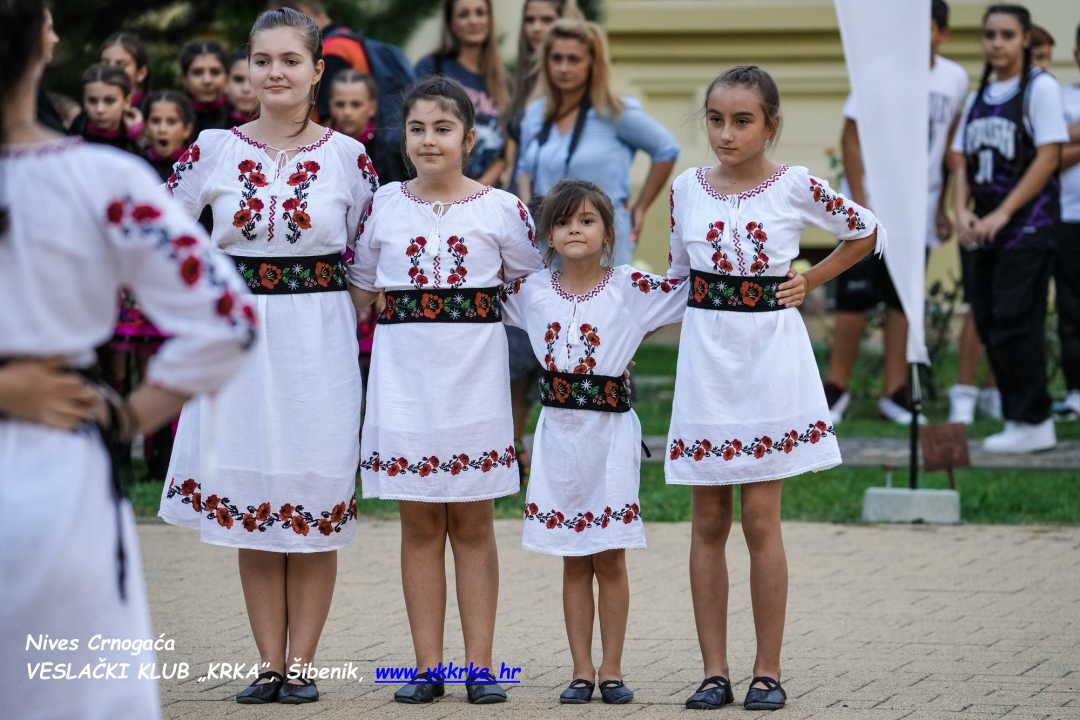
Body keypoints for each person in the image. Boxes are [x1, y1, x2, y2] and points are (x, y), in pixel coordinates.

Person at [0, 3, 257, 719]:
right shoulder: (101, 179)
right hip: (52, 461)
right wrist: (127, 416)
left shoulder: (101, 178)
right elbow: (228, 319)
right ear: (44, 41)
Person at [158, 8, 376, 704]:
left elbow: (368, 259)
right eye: (261, 60)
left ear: (317, 71)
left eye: (289, 60)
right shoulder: (212, 150)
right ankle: (268, 664)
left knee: (311, 501)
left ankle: (303, 666)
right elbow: (162, 234)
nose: (274, 72)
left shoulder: (349, 159)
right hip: (241, 346)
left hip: (318, 346)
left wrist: (348, 312)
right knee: (253, 501)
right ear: (247, 70)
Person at [666, 66, 882, 711]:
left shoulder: (794, 186)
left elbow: (865, 229)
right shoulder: (686, 188)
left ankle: (768, 670)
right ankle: (713, 672)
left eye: (742, 121)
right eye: (715, 120)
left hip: (769, 360)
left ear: (771, 125)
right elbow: (677, 276)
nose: (726, 134)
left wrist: (810, 280)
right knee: (708, 519)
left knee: (760, 518)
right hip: (707, 363)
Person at [349, 76, 545, 705]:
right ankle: (426, 667)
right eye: (417, 129)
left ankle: (480, 668)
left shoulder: (502, 209)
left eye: (442, 128)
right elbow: (357, 291)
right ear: (403, 138)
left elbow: (535, 294)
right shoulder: (382, 205)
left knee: (473, 523)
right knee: (419, 525)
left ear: (469, 138)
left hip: (475, 384)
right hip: (403, 384)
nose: (428, 140)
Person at [500, 179, 686, 705]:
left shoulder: (631, 287)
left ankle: (613, 669)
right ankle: (581, 670)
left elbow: (689, 290)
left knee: (610, 557)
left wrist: (632, 337)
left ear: (608, 233)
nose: (574, 230)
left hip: (610, 438)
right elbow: (477, 294)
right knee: (573, 558)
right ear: (548, 237)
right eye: (562, 222)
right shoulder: (530, 290)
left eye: (587, 220)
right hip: (558, 437)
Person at [823, 0, 967, 426]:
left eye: (927, 28)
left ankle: (895, 392)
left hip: (917, 211)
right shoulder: (878, 73)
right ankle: (835, 389)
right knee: (854, 299)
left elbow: (946, 147)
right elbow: (851, 140)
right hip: (873, 207)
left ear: (942, 33)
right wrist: (860, 206)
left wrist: (941, 207)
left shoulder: (954, 79)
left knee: (903, 300)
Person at [946, 4, 1068, 453]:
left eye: (1007, 35)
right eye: (989, 34)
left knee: (1018, 320)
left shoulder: (1040, 87)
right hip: (983, 228)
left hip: (1027, 226)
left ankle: (1033, 420)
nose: (996, 43)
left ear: (1025, 40)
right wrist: (961, 210)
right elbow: (961, 160)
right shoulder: (979, 94)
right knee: (990, 317)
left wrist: (1003, 213)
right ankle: (1021, 418)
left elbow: (1048, 156)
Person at [516, 19, 678, 267]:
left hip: (602, 246)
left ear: (593, 63)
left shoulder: (614, 111)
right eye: (556, 58)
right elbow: (524, 168)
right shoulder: (537, 113)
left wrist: (640, 208)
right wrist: (529, 212)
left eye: (574, 59)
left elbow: (666, 149)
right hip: (549, 243)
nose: (563, 67)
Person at [504, 0, 583, 488]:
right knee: (517, 352)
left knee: (573, 347)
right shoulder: (522, 92)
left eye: (547, 20)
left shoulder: (592, 98)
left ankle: (571, 458)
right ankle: (514, 454)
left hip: (578, 229)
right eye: (530, 20)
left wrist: (631, 209)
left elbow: (662, 149)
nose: (537, 29)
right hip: (531, 224)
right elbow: (521, 161)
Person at [272, 0, 416, 183]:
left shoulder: (331, 51)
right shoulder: (348, 40)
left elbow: (326, 125)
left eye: (279, 22)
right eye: (340, 104)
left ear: (299, 12)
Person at [416, 0, 510, 187]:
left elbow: (508, 150)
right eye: (464, 14)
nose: (473, 20)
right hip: (439, 189)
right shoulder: (432, 68)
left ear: (489, 20)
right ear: (451, 23)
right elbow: (417, 130)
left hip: (488, 193)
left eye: (480, 13)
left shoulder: (504, 82)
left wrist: (480, 188)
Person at [1058, 23, 1080, 418]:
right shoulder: (1060, 98)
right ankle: (1076, 389)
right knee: (1072, 309)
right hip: (1068, 217)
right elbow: (1049, 156)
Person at [71, 63, 143, 154]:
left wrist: (139, 136)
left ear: (127, 102)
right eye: (92, 101)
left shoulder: (137, 138)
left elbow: (152, 157)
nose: (100, 109)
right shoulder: (74, 134)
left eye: (109, 101)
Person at [180, 39, 232, 136]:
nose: (207, 80)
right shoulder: (174, 117)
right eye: (197, 73)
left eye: (215, 72)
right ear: (184, 78)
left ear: (227, 78)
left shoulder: (243, 119)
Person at [100, 32, 151, 111]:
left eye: (121, 65)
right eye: (106, 64)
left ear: (141, 73)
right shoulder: (91, 110)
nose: (111, 70)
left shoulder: (156, 108)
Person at [225, 51, 258, 127]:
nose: (246, 88)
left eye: (254, 80)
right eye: (238, 80)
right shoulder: (214, 132)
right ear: (226, 83)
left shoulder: (282, 130)